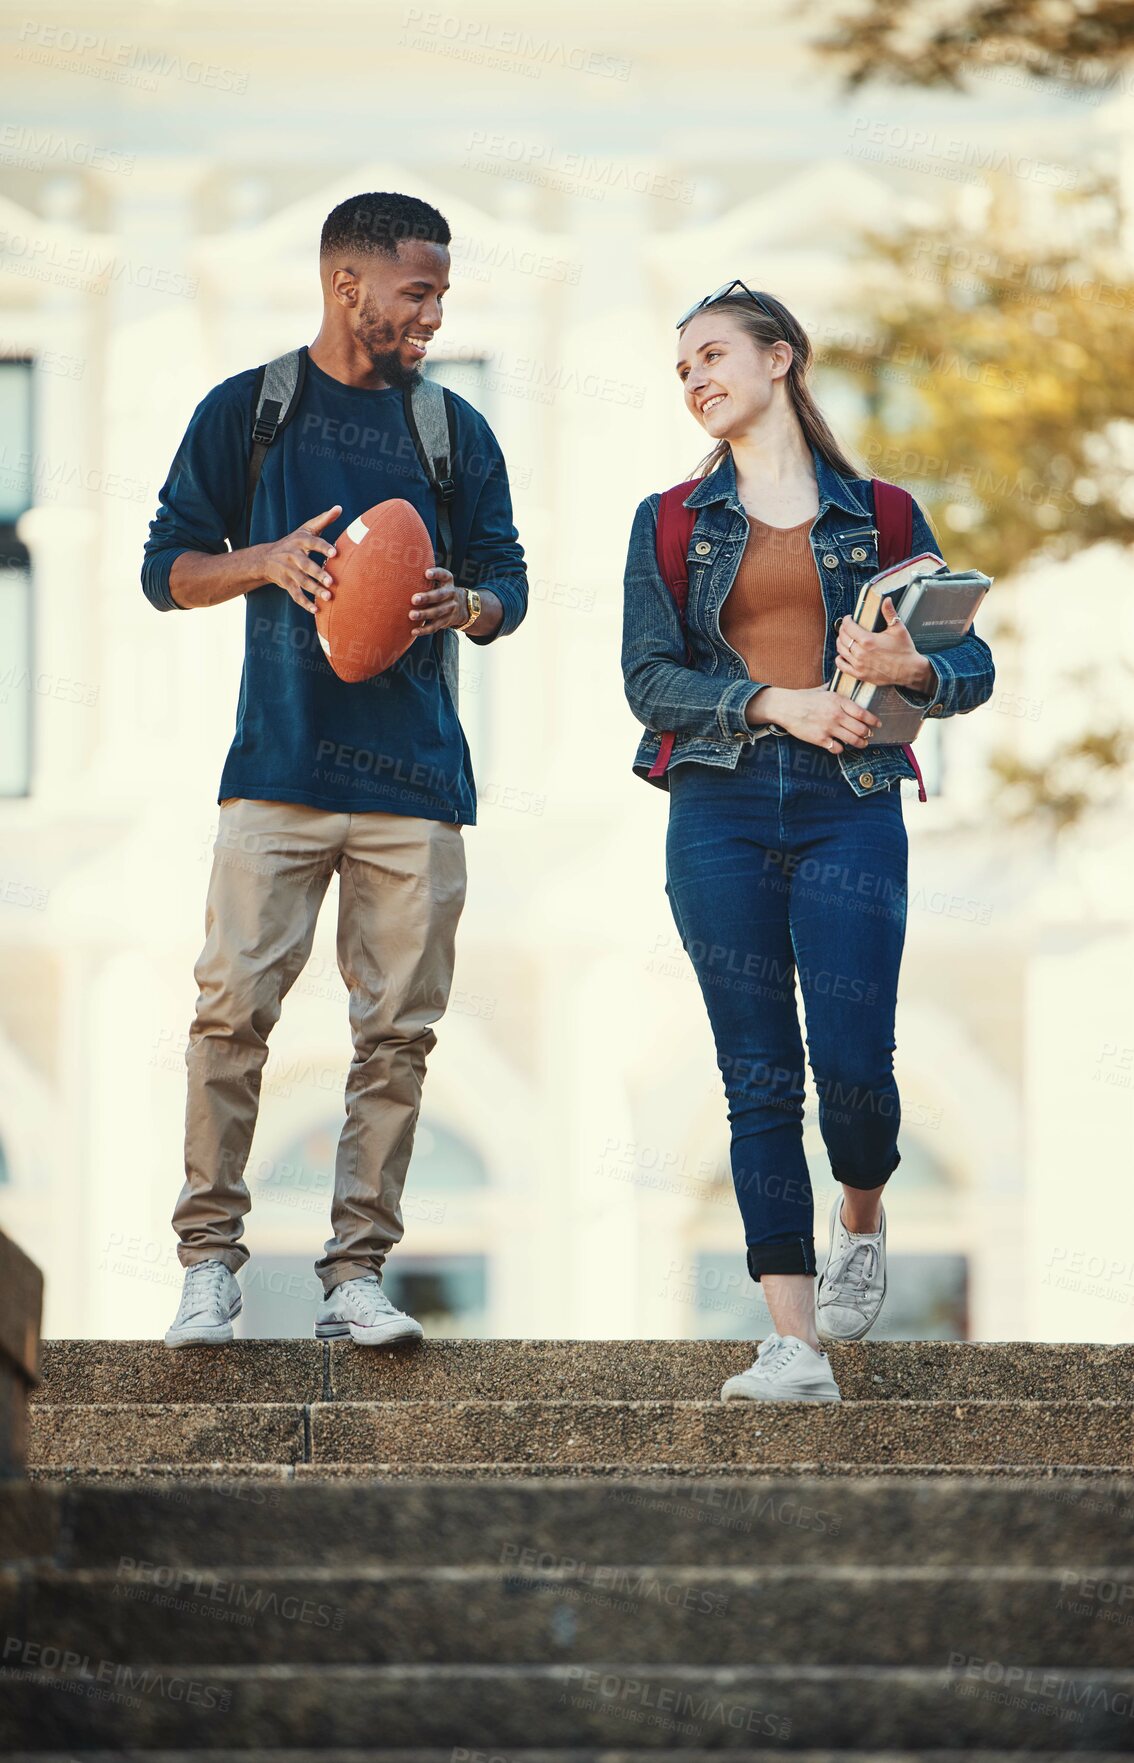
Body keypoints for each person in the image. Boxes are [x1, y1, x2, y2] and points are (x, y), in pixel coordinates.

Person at [142, 192, 527, 1348]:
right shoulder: (247, 413)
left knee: (398, 1032)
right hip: (277, 770)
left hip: (416, 783)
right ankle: (209, 1261)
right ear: (348, 284)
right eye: (419, 291)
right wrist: (266, 560)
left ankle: (356, 1273)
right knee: (229, 1014)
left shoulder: (456, 430)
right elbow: (166, 567)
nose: (434, 313)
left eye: (443, 294)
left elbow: (509, 578)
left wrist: (468, 602)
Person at [621, 281, 993, 1402]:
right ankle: (795, 1340)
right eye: (682, 367)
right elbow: (648, 678)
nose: (695, 379)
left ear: (783, 358)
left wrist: (908, 670)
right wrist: (774, 701)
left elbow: (971, 668)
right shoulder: (671, 521)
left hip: (852, 803)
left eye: (714, 355)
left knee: (853, 1064)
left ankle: (862, 1210)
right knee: (756, 1076)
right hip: (720, 807)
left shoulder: (882, 517)